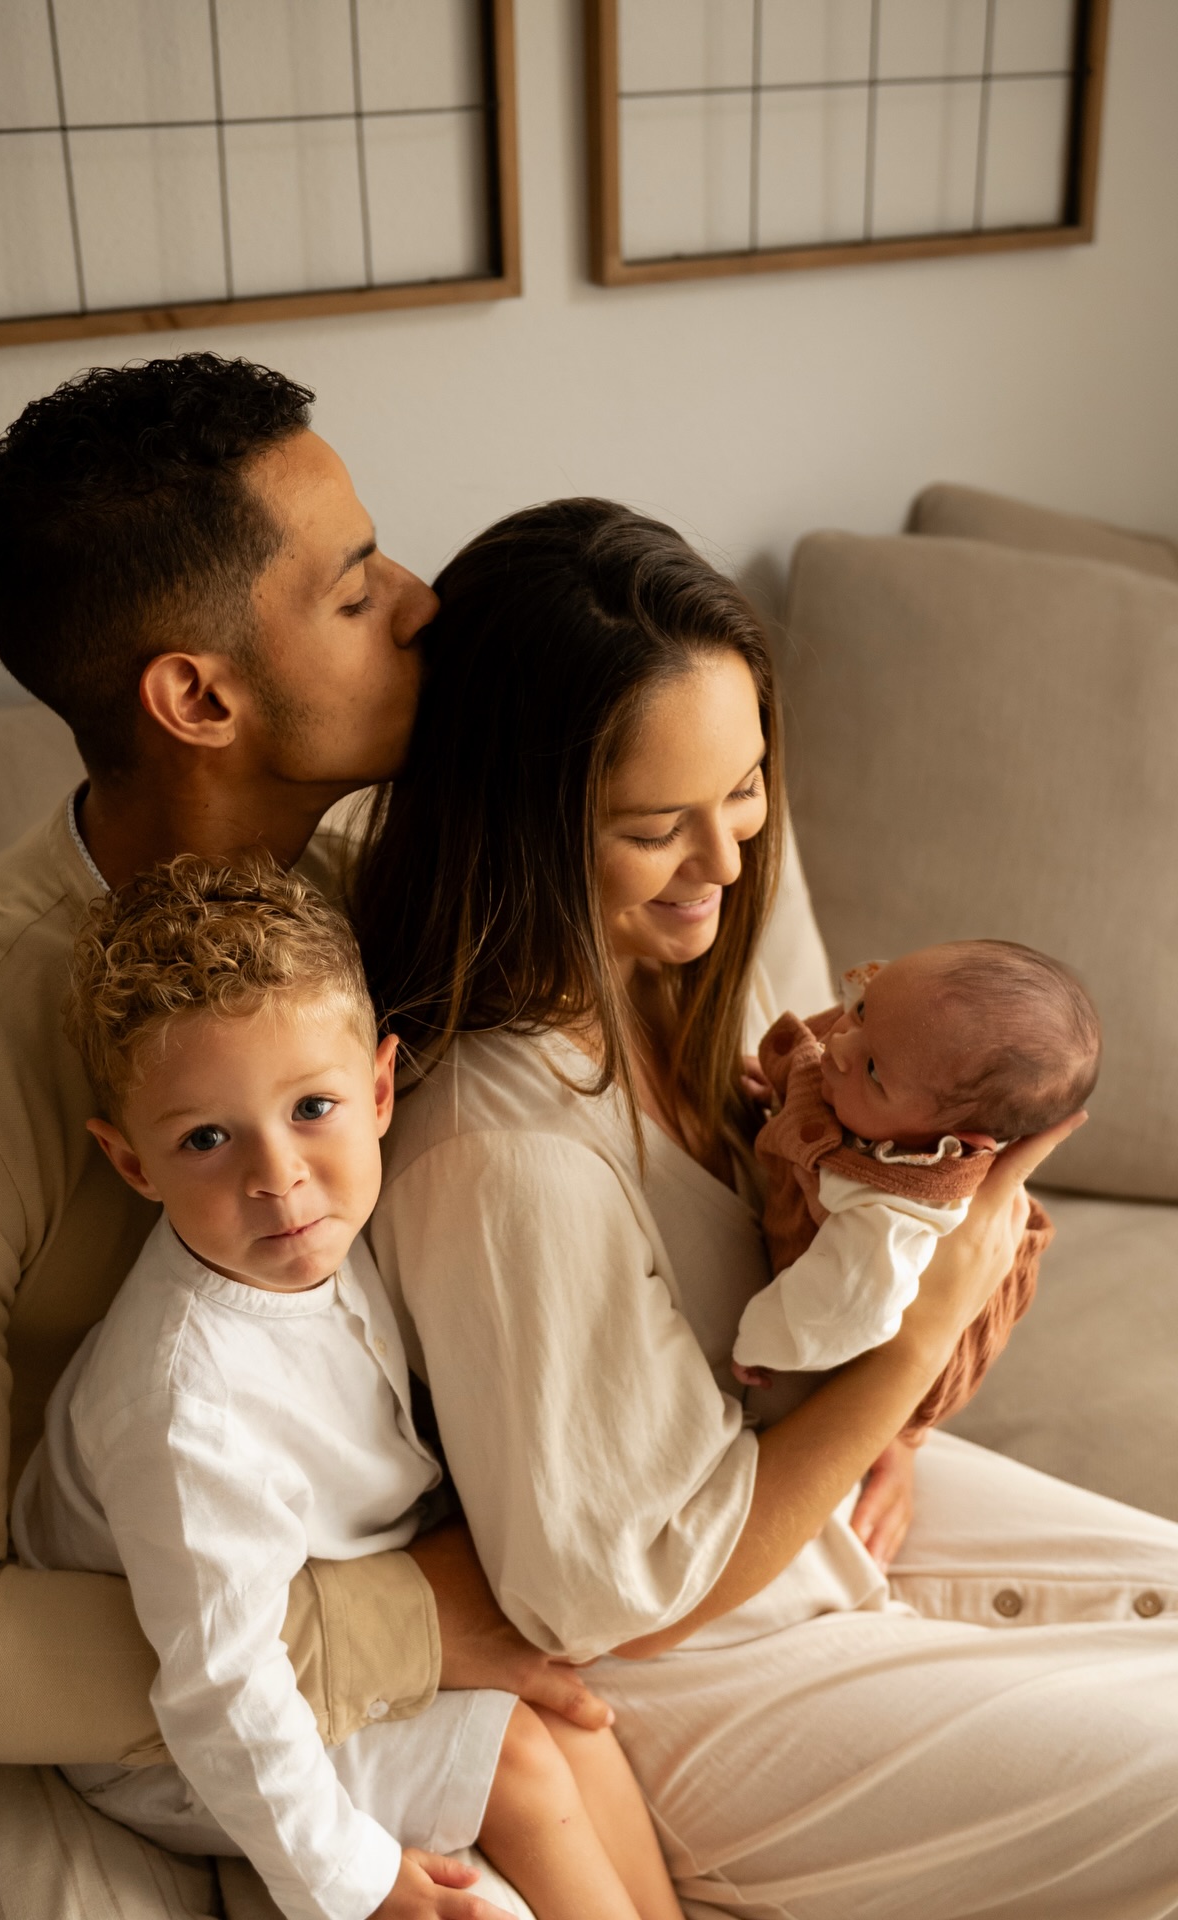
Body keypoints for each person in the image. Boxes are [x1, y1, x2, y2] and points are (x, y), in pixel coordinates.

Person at [0, 357, 607, 1920]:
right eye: (355, 591)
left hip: (332, 1567)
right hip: (4, 1697)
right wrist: (405, 1621)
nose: (420, 603)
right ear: (198, 695)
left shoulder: (378, 892)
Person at [355, 497, 1178, 1914]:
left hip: (789, 1517)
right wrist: (910, 1356)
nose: (729, 864)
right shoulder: (503, 1159)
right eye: (654, 827)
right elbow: (608, 1594)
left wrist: (873, 1417)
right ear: (522, 819)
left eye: (743, 792)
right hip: (692, 1668)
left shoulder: (645, 989)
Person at [14, 853, 683, 1920]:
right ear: (132, 1163)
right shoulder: (185, 1402)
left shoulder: (340, 1232)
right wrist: (355, 1883)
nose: (276, 1177)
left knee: (574, 1730)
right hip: (183, 1744)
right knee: (519, 1757)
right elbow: (221, 1693)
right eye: (205, 1139)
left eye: (312, 1108)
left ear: (379, 1091)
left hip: (340, 1642)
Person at [729, 939, 1099, 1433]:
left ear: (951, 1140)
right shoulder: (890, 1047)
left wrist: (762, 1343)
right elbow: (848, 1047)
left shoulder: (889, 1209)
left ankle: (902, 1440)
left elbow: (847, 1306)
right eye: (861, 1009)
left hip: (922, 1342)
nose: (838, 1045)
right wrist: (781, 1088)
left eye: (875, 1071)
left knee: (892, 1404)